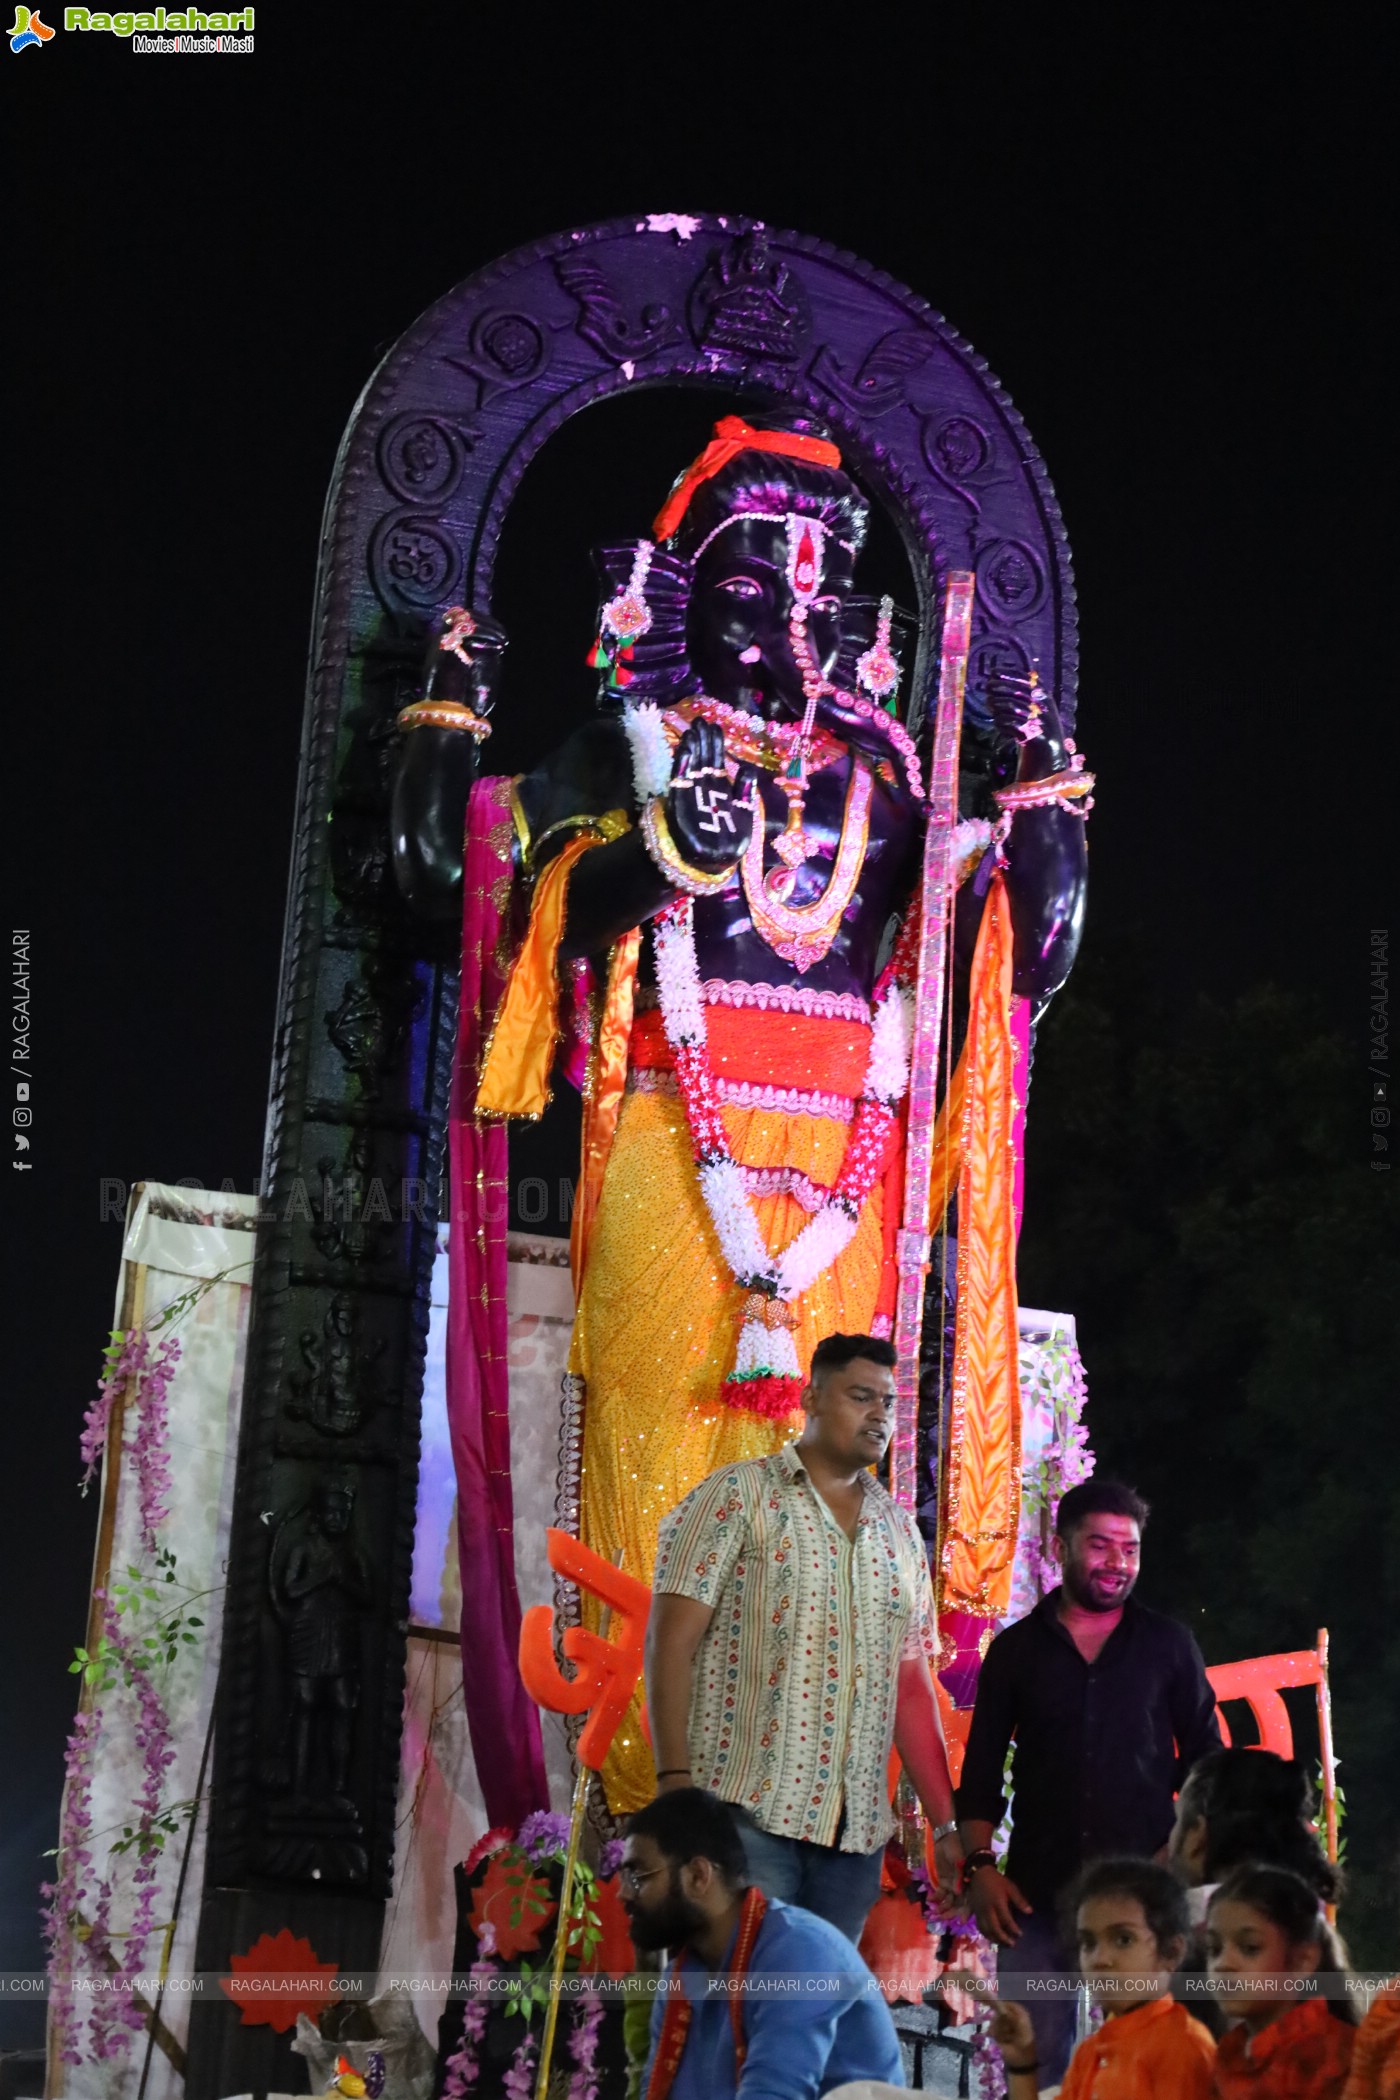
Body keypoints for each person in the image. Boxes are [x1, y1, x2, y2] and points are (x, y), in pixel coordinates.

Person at [394, 415, 1090, 1813]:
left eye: (815, 596)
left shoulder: (896, 784)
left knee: (832, 1489)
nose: (788, 626)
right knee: (658, 1464)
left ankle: (818, 1817)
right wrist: (654, 849)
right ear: (668, 604)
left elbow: (1022, 963)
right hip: (676, 1136)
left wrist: (1045, 813)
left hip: (850, 1154)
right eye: (746, 589)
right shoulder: (635, 743)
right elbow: (463, 889)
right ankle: (647, 1827)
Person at [645, 1332, 960, 1942]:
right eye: (860, 1396)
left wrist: (943, 1829)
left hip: (853, 1844)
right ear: (812, 1397)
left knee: (808, 2023)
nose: (878, 1415)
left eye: (888, 1403)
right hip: (742, 1824)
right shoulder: (737, 1497)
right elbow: (669, 1645)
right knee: (725, 2013)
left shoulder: (898, 1534)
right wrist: (675, 1787)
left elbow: (911, 1689)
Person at [956, 1477, 1221, 2083]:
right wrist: (979, 1868)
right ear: (1061, 1547)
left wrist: (1176, 1856)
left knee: (1152, 2066)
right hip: (1035, 1898)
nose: (1117, 1563)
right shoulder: (1017, 1650)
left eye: (1129, 1549)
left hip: (1146, 1896)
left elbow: (1209, 1764)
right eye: (1100, 1546)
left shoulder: (1169, 1646)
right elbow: (981, 1771)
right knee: (1038, 2062)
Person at [622, 1787, 905, 2100]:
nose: (624, 1894)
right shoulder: (680, 1977)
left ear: (698, 1876)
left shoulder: (799, 1952)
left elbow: (774, 2094)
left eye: (638, 1876)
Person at [989, 1857, 1215, 2097]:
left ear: (1171, 1952)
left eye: (1123, 1939)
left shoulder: (1182, 2050)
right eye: (1088, 1943)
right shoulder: (1092, 2052)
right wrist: (1022, 2063)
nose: (1099, 1959)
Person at [1207, 1863, 1358, 2096]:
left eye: (1250, 1948)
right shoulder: (1229, 2053)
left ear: (1302, 1961)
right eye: (1214, 1948)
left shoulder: (1329, 2059)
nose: (1222, 1964)